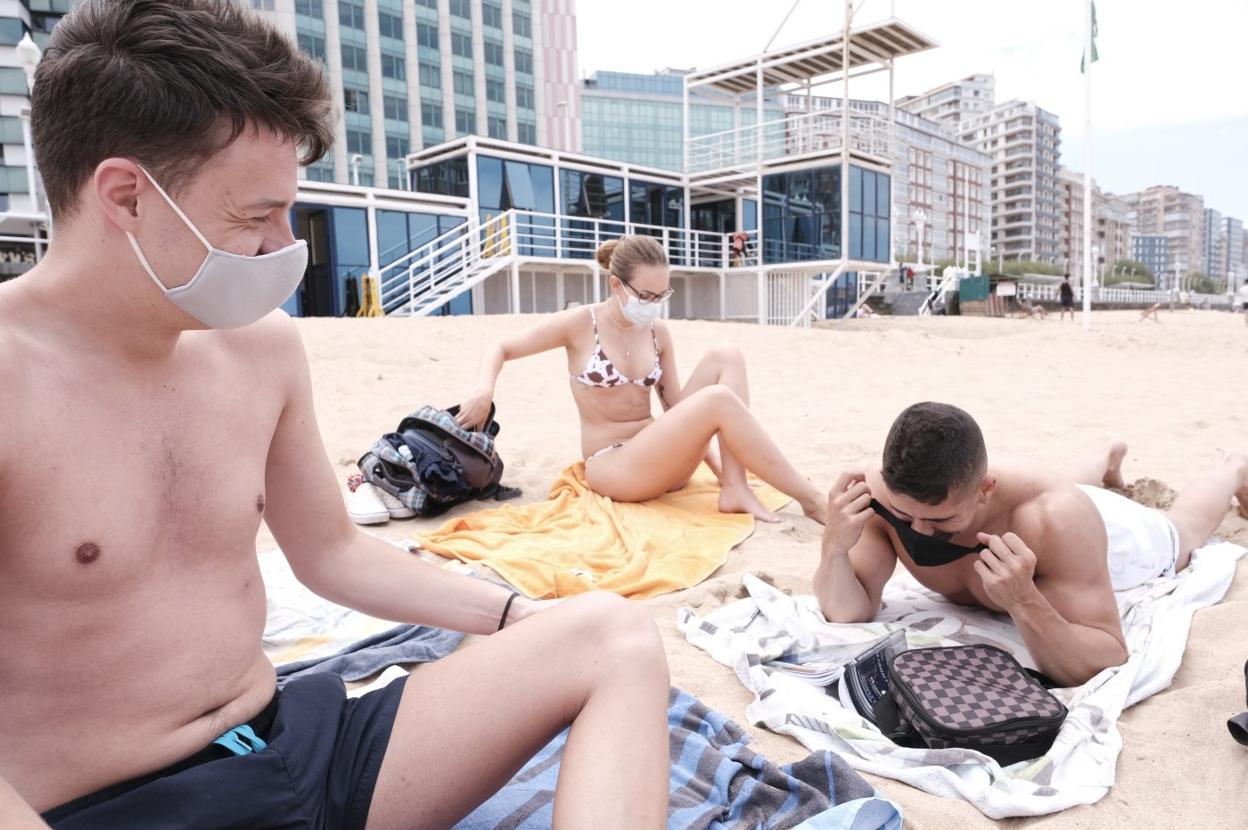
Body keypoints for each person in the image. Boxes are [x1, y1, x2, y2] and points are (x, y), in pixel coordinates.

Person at [0, 3, 670, 828]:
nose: (287, 246)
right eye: (255, 218)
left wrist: (513, 615)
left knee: (613, 636)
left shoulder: (258, 349)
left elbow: (332, 551)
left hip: (292, 744)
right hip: (121, 803)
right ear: (127, 196)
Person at [815, 402, 1247, 687]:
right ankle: (1105, 460)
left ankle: (1232, 468)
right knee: (1066, 485)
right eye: (905, 517)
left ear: (984, 490)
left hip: (1108, 535)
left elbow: (1107, 655)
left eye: (942, 519)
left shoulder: (1055, 520)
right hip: (1047, 495)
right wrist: (833, 547)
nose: (920, 533)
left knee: (1181, 533)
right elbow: (849, 611)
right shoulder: (875, 492)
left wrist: (1024, 601)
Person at [456, 234, 827, 524]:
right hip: (615, 467)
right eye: (646, 295)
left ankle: (735, 485)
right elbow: (501, 347)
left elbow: (678, 410)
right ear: (616, 285)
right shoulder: (580, 324)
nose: (653, 303)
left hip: (662, 460)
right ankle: (812, 501)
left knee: (726, 356)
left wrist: (715, 466)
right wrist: (483, 389)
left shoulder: (656, 331)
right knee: (717, 399)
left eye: (662, 294)